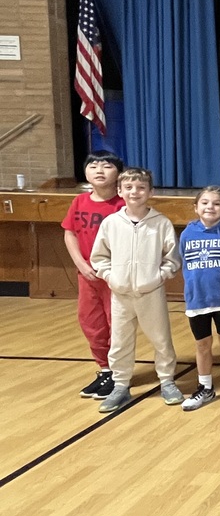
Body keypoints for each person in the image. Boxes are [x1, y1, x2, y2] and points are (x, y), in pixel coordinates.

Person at [90, 167, 183, 413]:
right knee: (120, 341)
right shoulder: (111, 223)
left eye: (141, 188)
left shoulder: (160, 223)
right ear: (120, 191)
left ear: (150, 192)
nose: (135, 192)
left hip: (151, 293)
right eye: (129, 187)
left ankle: (167, 381)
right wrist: (111, 276)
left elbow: (172, 259)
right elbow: (99, 257)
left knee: (161, 339)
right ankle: (120, 385)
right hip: (120, 294)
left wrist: (157, 277)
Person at [62, 150, 124, 400]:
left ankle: (120, 373)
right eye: (93, 166)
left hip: (115, 276)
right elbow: (70, 233)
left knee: (116, 324)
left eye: (107, 166)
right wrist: (81, 263)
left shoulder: (123, 204)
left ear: (119, 172)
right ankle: (105, 369)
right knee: (91, 322)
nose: (99, 170)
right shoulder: (79, 202)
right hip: (87, 275)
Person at [179, 186, 220, 411]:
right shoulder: (187, 233)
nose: (210, 207)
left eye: (216, 203)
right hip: (197, 299)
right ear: (196, 207)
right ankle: (205, 387)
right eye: (205, 203)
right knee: (202, 344)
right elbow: (186, 266)